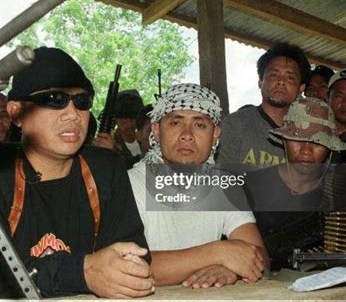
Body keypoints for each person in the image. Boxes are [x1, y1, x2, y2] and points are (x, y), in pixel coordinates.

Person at [0, 47, 154, 299]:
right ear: (16, 113)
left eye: (82, 102)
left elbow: (136, 254)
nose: (73, 114)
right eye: (54, 100)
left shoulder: (105, 168)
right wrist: (82, 272)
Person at [129, 83, 268, 288]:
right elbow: (129, 267)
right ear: (157, 130)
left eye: (199, 125)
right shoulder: (130, 184)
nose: (187, 134)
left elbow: (260, 256)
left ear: (216, 134)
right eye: (176, 123)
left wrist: (231, 270)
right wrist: (219, 253)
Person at [245, 97, 346, 268]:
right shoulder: (250, 187)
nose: (306, 150)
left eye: (317, 141)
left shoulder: (338, 190)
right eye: (298, 139)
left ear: (330, 147)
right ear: (284, 140)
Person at [217, 42, 310, 171]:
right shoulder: (235, 124)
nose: (281, 81)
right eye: (273, 75)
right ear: (260, 82)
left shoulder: (309, 133)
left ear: (301, 88)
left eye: (290, 77)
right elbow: (222, 179)